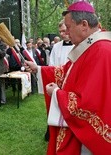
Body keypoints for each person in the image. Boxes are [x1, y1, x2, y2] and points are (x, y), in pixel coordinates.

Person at [24, 1, 111, 154]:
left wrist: (57, 93)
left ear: (84, 24)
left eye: (69, 27)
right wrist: (38, 69)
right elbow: (67, 72)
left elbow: (89, 104)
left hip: (88, 140)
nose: (66, 33)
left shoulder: (101, 51)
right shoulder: (89, 46)